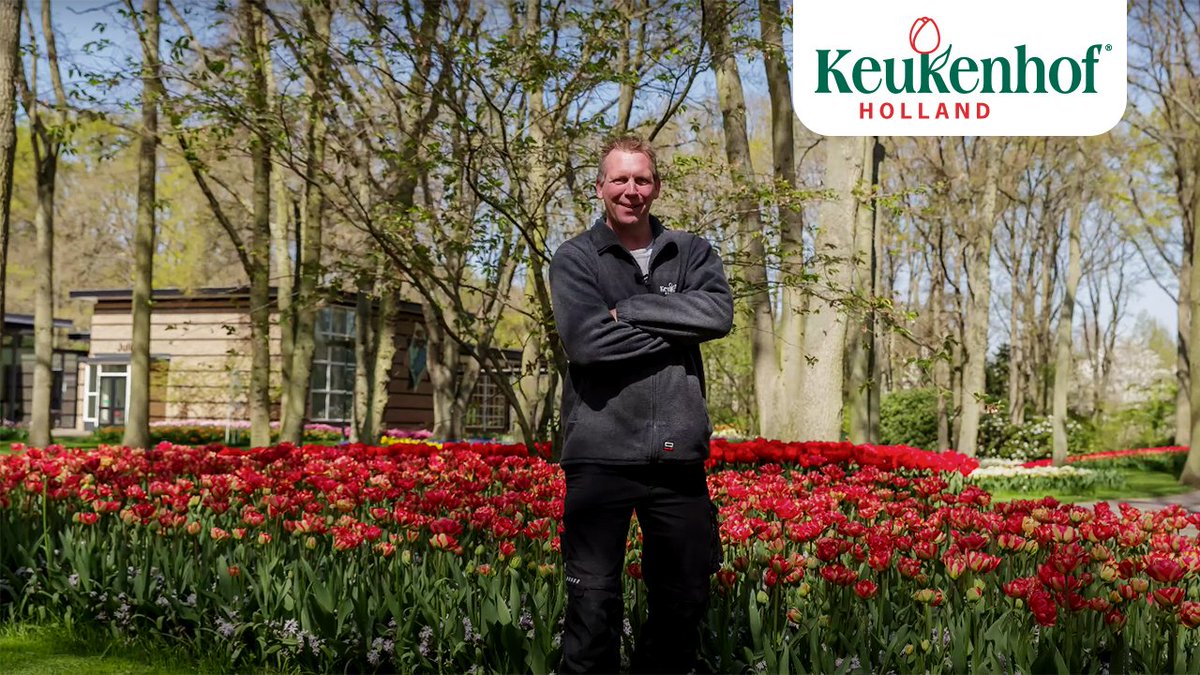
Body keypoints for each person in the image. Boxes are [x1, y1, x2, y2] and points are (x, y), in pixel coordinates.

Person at [549, 135, 734, 674]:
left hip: (677, 462)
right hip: (599, 457)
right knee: (591, 610)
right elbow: (586, 344)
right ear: (601, 186)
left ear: (656, 186)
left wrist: (626, 311)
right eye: (621, 179)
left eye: (643, 179)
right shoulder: (576, 259)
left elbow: (718, 315)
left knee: (682, 606)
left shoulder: (692, 252)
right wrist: (677, 322)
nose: (632, 190)